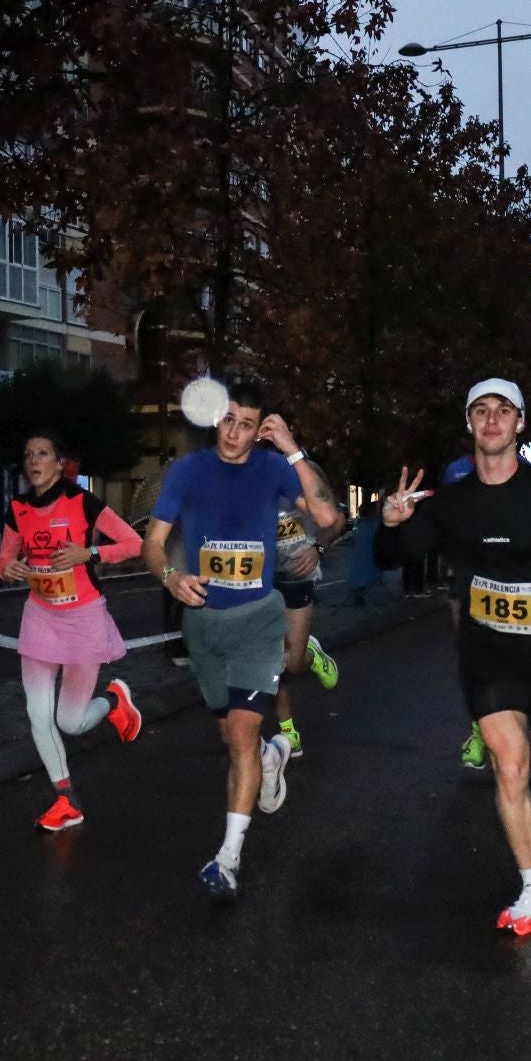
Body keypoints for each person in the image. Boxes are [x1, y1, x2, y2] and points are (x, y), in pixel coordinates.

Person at [377, 378, 531, 934]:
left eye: (503, 411)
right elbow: (393, 555)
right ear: (469, 424)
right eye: (480, 412)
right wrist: (391, 525)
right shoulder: (453, 503)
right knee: (510, 767)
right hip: (486, 652)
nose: (492, 421)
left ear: (520, 424)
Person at [144, 382, 340, 901]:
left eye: (246, 423)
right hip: (204, 626)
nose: (234, 432)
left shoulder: (274, 469)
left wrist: (294, 449)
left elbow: (326, 517)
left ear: (261, 429)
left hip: (258, 619)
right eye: (228, 419)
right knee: (235, 740)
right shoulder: (188, 471)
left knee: (241, 736)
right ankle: (273, 754)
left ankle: (228, 857)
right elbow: (154, 542)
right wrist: (170, 578)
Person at [0, 431, 146, 831]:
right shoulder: (18, 509)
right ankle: (66, 800)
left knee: (71, 722)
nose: (34, 461)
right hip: (40, 619)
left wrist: (89, 553)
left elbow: (135, 544)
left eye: (43, 454)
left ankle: (114, 703)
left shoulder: (83, 502)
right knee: (37, 715)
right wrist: (8, 568)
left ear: (59, 463)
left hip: (83, 620)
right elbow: (4, 559)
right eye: (28, 454)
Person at [271, 458, 347, 757]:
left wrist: (318, 548)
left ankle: (311, 655)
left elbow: (337, 520)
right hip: (261, 580)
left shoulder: (306, 470)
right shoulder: (247, 473)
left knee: (292, 663)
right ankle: (288, 732)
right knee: (272, 663)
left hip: (298, 576)